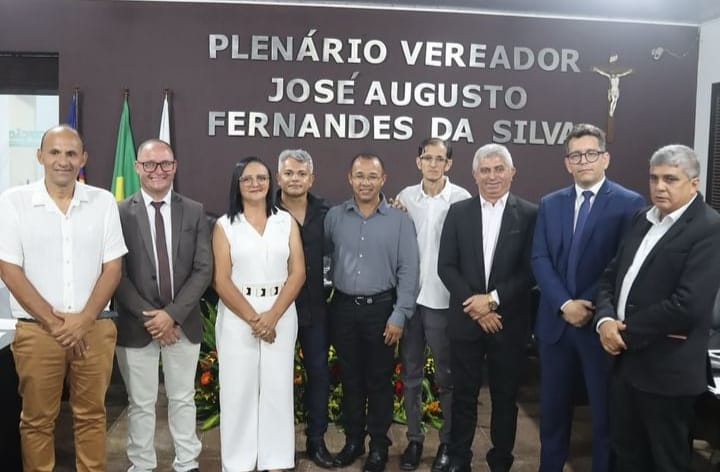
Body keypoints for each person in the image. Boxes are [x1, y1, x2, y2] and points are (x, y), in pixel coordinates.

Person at [0, 125, 127, 471]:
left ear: (83, 159)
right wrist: (57, 324)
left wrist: (82, 321)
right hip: (38, 333)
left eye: (72, 154)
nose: (63, 161)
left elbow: (113, 268)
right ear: (40, 156)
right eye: (55, 152)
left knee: (91, 418)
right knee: (37, 421)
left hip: (94, 330)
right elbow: (9, 270)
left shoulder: (102, 202)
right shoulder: (14, 202)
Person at [595, 144, 720, 472]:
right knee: (627, 454)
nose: (660, 186)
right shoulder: (641, 218)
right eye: (654, 178)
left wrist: (624, 332)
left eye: (671, 179)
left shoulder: (709, 227)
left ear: (694, 183)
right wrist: (605, 318)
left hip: (667, 370)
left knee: (666, 462)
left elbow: (688, 304)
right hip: (625, 366)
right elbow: (612, 275)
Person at [531, 123, 644, 472]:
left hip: (599, 328)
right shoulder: (550, 204)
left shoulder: (629, 204)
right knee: (551, 415)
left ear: (605, 158)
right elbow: (540, 259)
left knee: (604, 418)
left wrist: (587, 306)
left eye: (591, 153)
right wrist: (565, 304)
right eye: (576, 155)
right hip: (555, 325)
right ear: (567, 163)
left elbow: (622, 265)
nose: (584, 161)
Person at [438, 143, 537, 472]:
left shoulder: (530, 214)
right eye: (485, 170)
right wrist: (477, 307)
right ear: (474, 174)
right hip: (467, 321)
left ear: (512, 173)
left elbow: (530, 270)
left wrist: (492, 301)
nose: (492, 176)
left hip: (508, 323)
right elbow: (446, 267)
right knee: (463, 396)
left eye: (499, 169)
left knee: (505, 399)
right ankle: (459, 457)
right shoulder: (458, 212)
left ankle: (500, 461)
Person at [114, 139, 212, 472]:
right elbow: (116, 274)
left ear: (175, 166)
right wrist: (152, 319)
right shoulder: (119, 212)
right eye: (150, 164)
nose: (158, 171)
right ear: (137, 167)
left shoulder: (195, 210)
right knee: (140, 403)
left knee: (183, 399)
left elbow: (203, 268)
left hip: (183, 323)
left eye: (165, 164)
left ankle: (187, 463)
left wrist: (171, 316)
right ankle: (141, 465)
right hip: (135, 324)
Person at [325, 152, 419, 472]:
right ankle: (354, 441)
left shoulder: (400, 220)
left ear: (384, 180)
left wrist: (399, 314)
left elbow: (409, 271)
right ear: (350, 179)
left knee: (378, 381)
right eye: (359, 176)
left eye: (372, 176)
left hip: (382, 310)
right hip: (343, 308)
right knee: (350, 379)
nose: (365, 182)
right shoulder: (335, 217)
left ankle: (379, 446)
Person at [212, 157, 305, 472]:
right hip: (239, 318)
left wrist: (273, 316)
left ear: (271, 181)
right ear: (237, 184)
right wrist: (255, 319)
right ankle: (238, 462)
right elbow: (221, 280)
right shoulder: (225, 225)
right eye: (247, 178)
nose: (255, 184)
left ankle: (276, 460)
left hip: (280, 314)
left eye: (261, 177)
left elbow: (298, 272)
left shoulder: (286, 221)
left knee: (278, 388)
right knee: (238, 390)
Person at [395, 138, 471, 472]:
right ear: (418, 161)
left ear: (449, 164)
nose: (433, 164)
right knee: (410, 375)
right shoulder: (405, 198)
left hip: (443, 301)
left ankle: (447, 443)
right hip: (410, 300)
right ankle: (414, 440)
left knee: (445, 377)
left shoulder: (462, 199)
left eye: (440, 159)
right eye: (428, 158)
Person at [275, 149, 333, 468]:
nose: (294, 179)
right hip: (276, 310)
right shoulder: (263, 210)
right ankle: (278, 445)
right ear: (278, 176)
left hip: (315, 311)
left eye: (301, 174)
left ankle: (316, 441)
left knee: (318, 375)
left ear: (311, 178)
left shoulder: (328, 212)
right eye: (288, 173)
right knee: (276, 377)